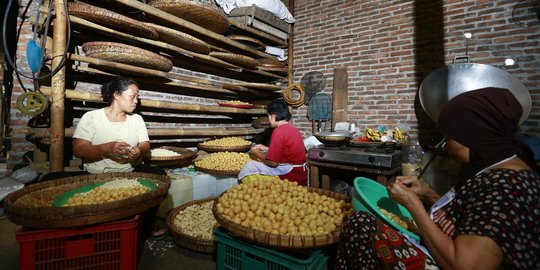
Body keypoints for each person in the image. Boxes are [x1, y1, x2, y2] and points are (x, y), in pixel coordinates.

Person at [335, 87, 539, 269]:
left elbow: (466, 265)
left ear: (473, 137)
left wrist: (413, 205)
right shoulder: (495, 164)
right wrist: (427, 193)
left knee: (360, 225)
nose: (445, 145)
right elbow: (471, 213)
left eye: (449, 137)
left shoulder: (505, 186)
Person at [239, 99, 308, 185]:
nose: (268, 119)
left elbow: (273, 163)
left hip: (290, 176)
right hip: (301, 174)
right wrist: (267, 149)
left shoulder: (278, 131)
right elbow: (287, 151)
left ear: (273, 115)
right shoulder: (292, 128)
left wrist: (256, 152)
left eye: (268, 115)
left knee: (250, 167)